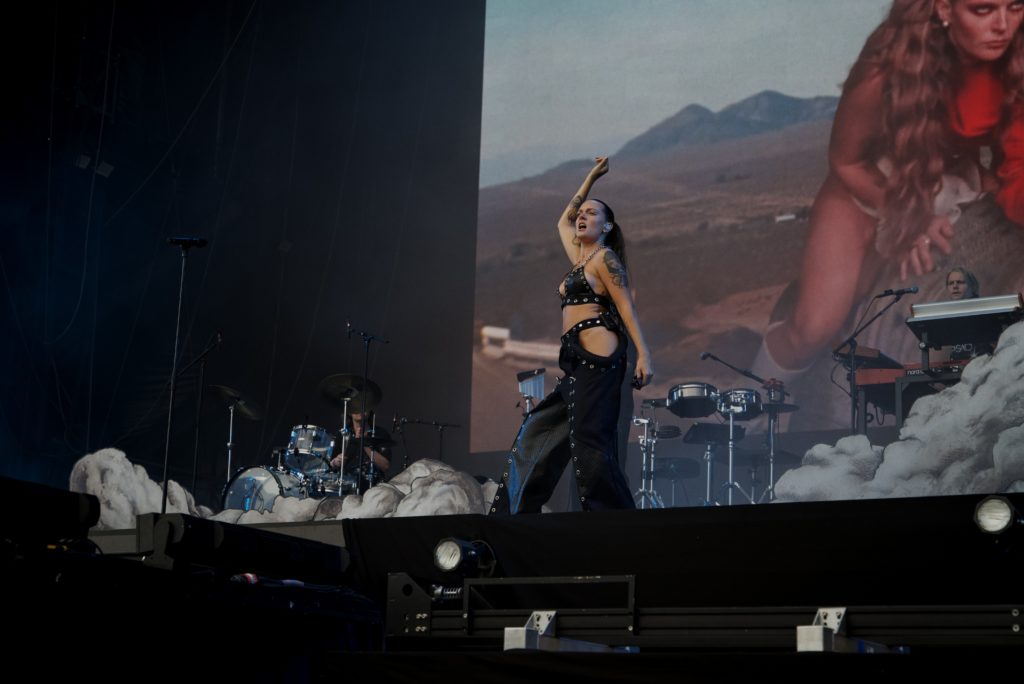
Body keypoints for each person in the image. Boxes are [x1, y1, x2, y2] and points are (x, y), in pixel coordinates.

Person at [754, 0, 1024, 383]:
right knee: (814, 327)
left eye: (1015, 7)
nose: (1003, 25)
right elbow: (846, 161)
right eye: (983, 10)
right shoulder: (884, 69)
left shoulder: (1011, 56)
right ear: (945, 8)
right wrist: (910, 217)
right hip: (874, 184)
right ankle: (752, 413)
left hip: (953, 178)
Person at [490, 156, 654, 514]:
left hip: (599, 362)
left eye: (593, 213)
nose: (583, 216)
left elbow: (626, 308)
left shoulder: (604, 259)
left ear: (608, 226)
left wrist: (644, 354)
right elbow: (563, 219)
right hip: (577, 366)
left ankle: (614, 525)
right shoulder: (581, 259)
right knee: (536, 432)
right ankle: (513, 520)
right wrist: (591, 178)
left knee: (590, 445)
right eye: (584, 212)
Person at [328, 412, 391, 489]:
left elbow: (385, 466)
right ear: (350, 412)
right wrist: (335, 462)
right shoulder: (342, 434)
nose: (359, 409)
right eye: (355, 406)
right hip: (346, 487)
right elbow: (329, 467)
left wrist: (363, 443)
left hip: (373, 488)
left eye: (363, 404)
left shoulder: (380, 433)